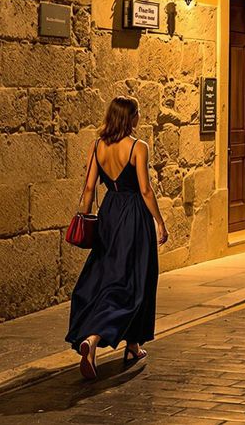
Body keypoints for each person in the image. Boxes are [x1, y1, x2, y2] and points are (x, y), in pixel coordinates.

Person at [67, 96, 169, 380]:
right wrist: (160, 221)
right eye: (137, 114)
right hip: (134, 215)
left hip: (109, 214)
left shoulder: (97, 146)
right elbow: (146, 190)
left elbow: (88, 188)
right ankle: (96, 337)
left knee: (105, 275)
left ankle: (132, 345)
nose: (138, 118)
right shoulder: (138, 147)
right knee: (135, 280)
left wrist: (84, 220)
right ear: (131, 118)